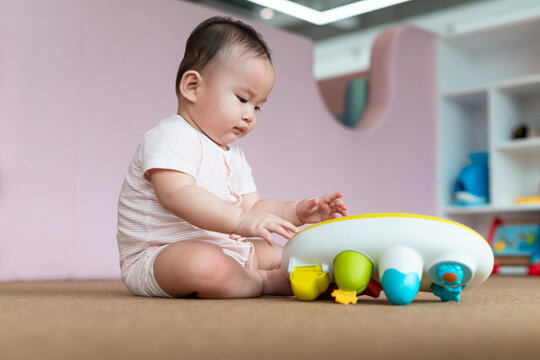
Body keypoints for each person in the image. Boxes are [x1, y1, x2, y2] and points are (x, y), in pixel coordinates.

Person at [116, 16, 347, 299]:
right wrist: (240, 221)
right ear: (192, 87)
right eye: (242, 99)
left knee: (291, 251)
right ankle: (263, 282)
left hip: (228, 250)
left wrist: (297, 211)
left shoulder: (233, 155)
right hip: (159, 257)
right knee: (203, 264)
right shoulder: (169, 136)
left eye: (258, 106)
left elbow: (256, 207)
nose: (250, 114)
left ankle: (316, 272)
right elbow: (177, 194)